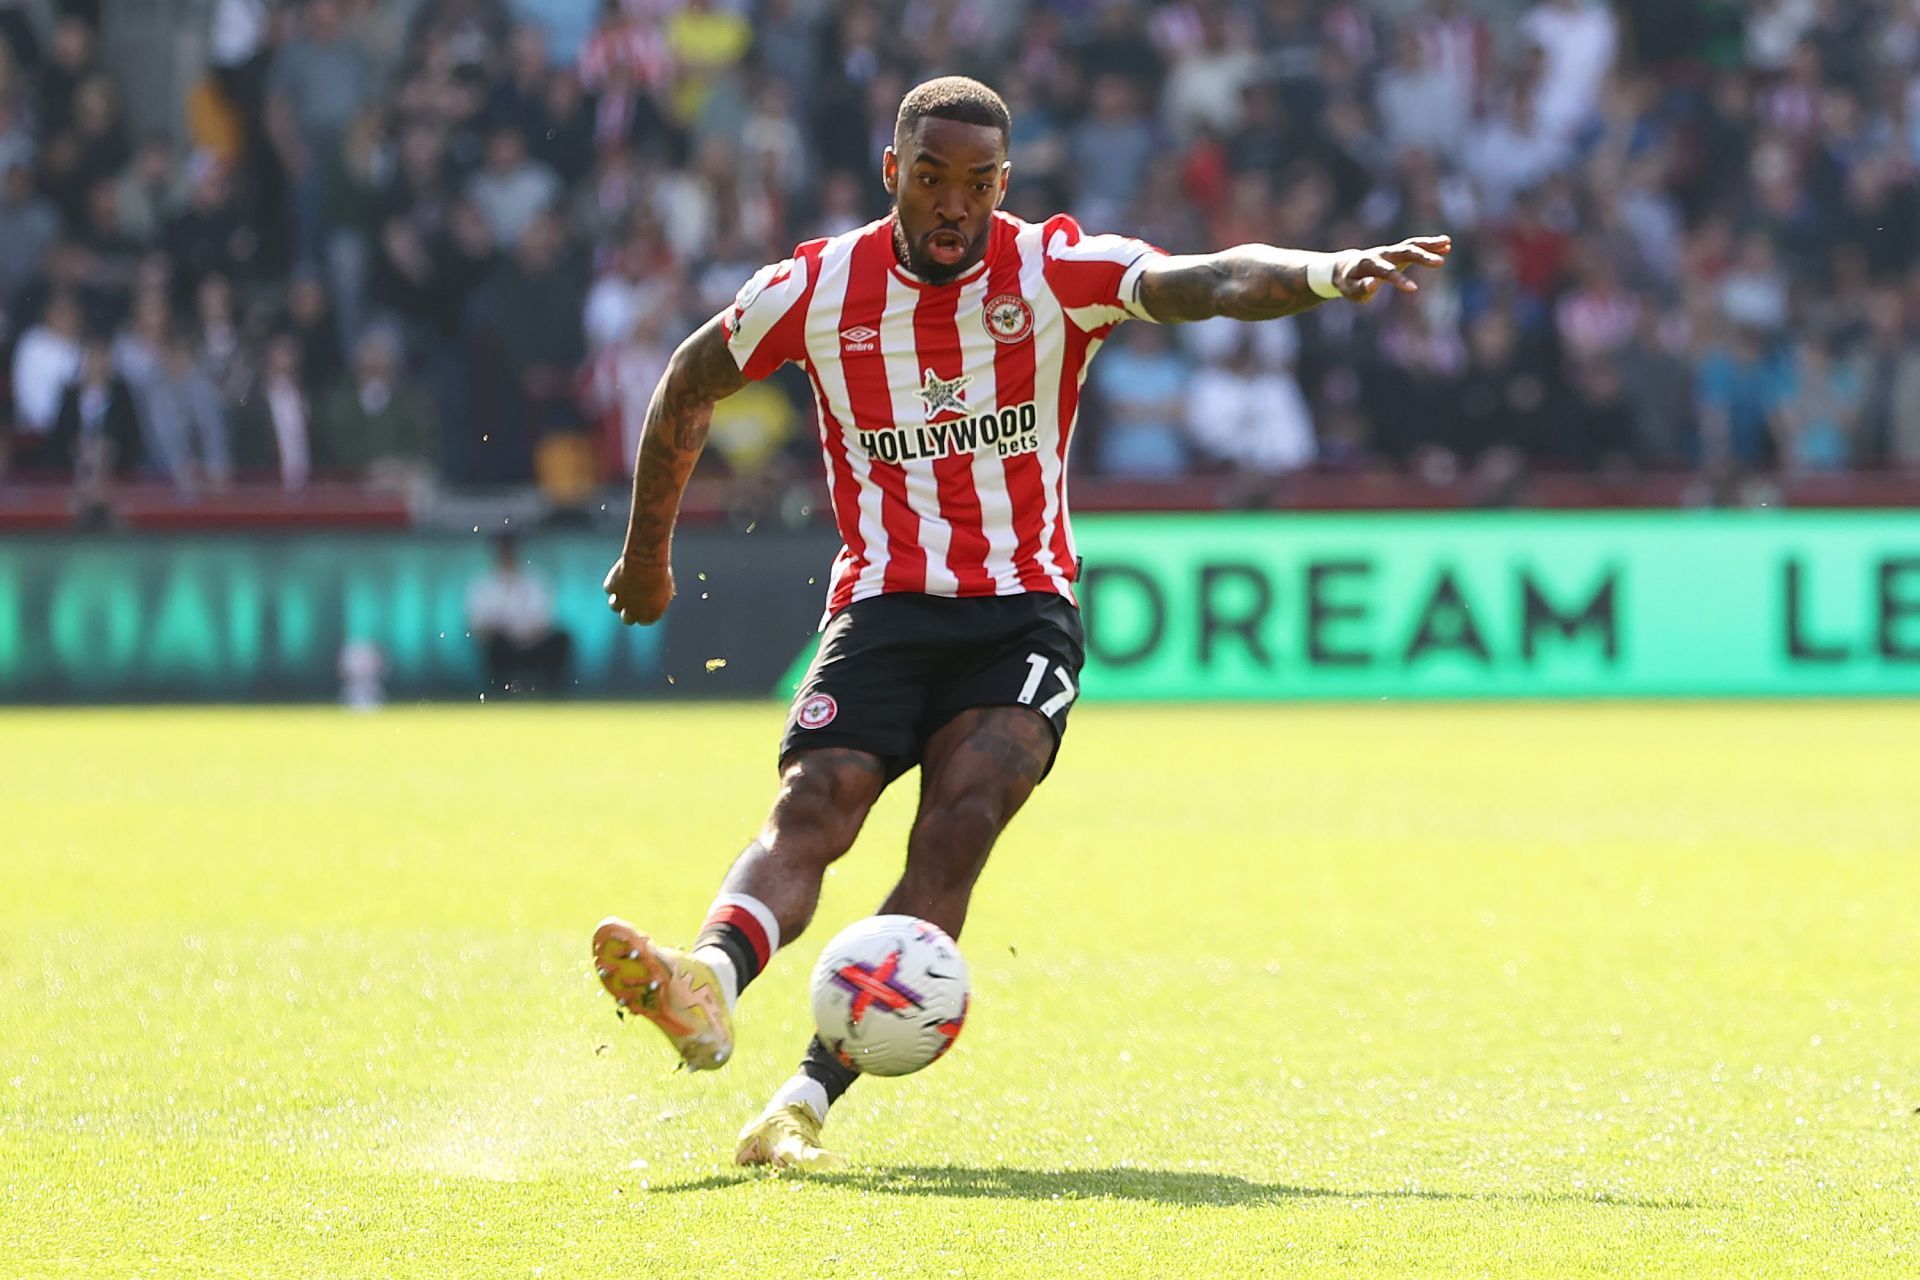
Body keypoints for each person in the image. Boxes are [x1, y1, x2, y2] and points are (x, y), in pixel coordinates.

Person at [593, 76, 1449, 1172]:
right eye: (936, 179)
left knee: (961, 821)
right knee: (817, 801)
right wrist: (647, 550)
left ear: (1006, 185)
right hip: (882, 602)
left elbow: (1213, 278)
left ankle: (806, 1094)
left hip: (1021, 611)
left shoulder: (1051, 268)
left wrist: (1327, 271)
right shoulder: (814, 287)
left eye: (981, 184)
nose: (958, 205)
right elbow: (688, 378)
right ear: (894, 172)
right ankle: (705, 984)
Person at [465, 533, 572, 696]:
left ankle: (551, 691)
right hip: (503, 647)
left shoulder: (533, 579)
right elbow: (478, 626)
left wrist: (526, 637)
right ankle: (498, 690)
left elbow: (545, 619)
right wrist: (506, 634)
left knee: (562, 638)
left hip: (534, 643)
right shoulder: (483, 584)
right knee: (495, 644)